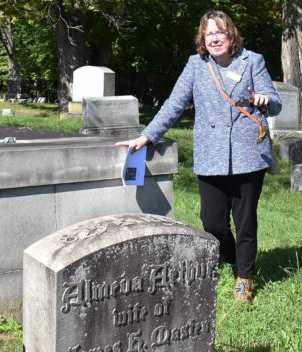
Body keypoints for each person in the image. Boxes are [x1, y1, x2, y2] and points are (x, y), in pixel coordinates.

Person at [116, 10, 281, 303]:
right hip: (211, 156)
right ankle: (231, 257)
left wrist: (266, 100)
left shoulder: (252, 60)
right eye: (209, 34)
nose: (215, 38)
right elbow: (174, 104)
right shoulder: (196, 66)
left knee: (245, 221)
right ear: (202, 39)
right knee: (212, 222)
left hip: (248, 154)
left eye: (220, 32)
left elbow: (276, 103)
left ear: (231, 35)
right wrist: (147, 136)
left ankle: (244, 277)